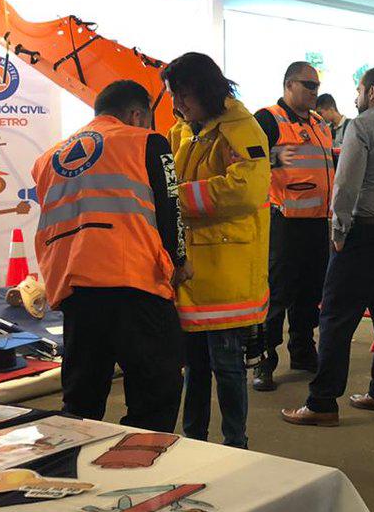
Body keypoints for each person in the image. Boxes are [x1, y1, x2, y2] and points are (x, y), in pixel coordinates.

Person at [33, 80, 188, 432]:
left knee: (81, 399)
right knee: (156, 392)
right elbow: (170, 207)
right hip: (134, 281)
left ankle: (74, 462)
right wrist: (179, 261)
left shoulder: (49, 158)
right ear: (136, 115)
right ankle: (137, 462)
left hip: (74, 287)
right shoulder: (147, 141)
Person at [281, 67, 374, 427]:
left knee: (336, 316)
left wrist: (339, 230)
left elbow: (346, 184)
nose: (356, 97)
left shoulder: (362, 126)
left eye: (359, 90)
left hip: (364, 234)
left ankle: (322, 402)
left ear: (371, 92)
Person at [161, 53, 271, 449]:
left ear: (206, 90)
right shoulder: (183, 131)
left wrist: (175, 199)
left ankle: (235, 444)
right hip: (192, 271)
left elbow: (245, 190)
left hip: (227, 271)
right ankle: (195, 442)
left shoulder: (242, 130)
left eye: (184, 95)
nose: (178, 104)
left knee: (227, 367)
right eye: (174, 96)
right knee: (194, 367)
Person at [251, 62, 335, 392]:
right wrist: (276, 159)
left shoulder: (319, 124)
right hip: (283, 223)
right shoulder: (268, 119)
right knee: (277, 293)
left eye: (317, 86)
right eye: (308, 85)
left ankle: (302, 350)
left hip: (317, 223)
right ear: (288, 85)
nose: (314, 91)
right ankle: (264, 359)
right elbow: (243, 159)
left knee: (310, 292)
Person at [315, 92, 351, 157]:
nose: (319, 117)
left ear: (331, 109)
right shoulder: (326, 129)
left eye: (320, 113)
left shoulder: (351, 126)